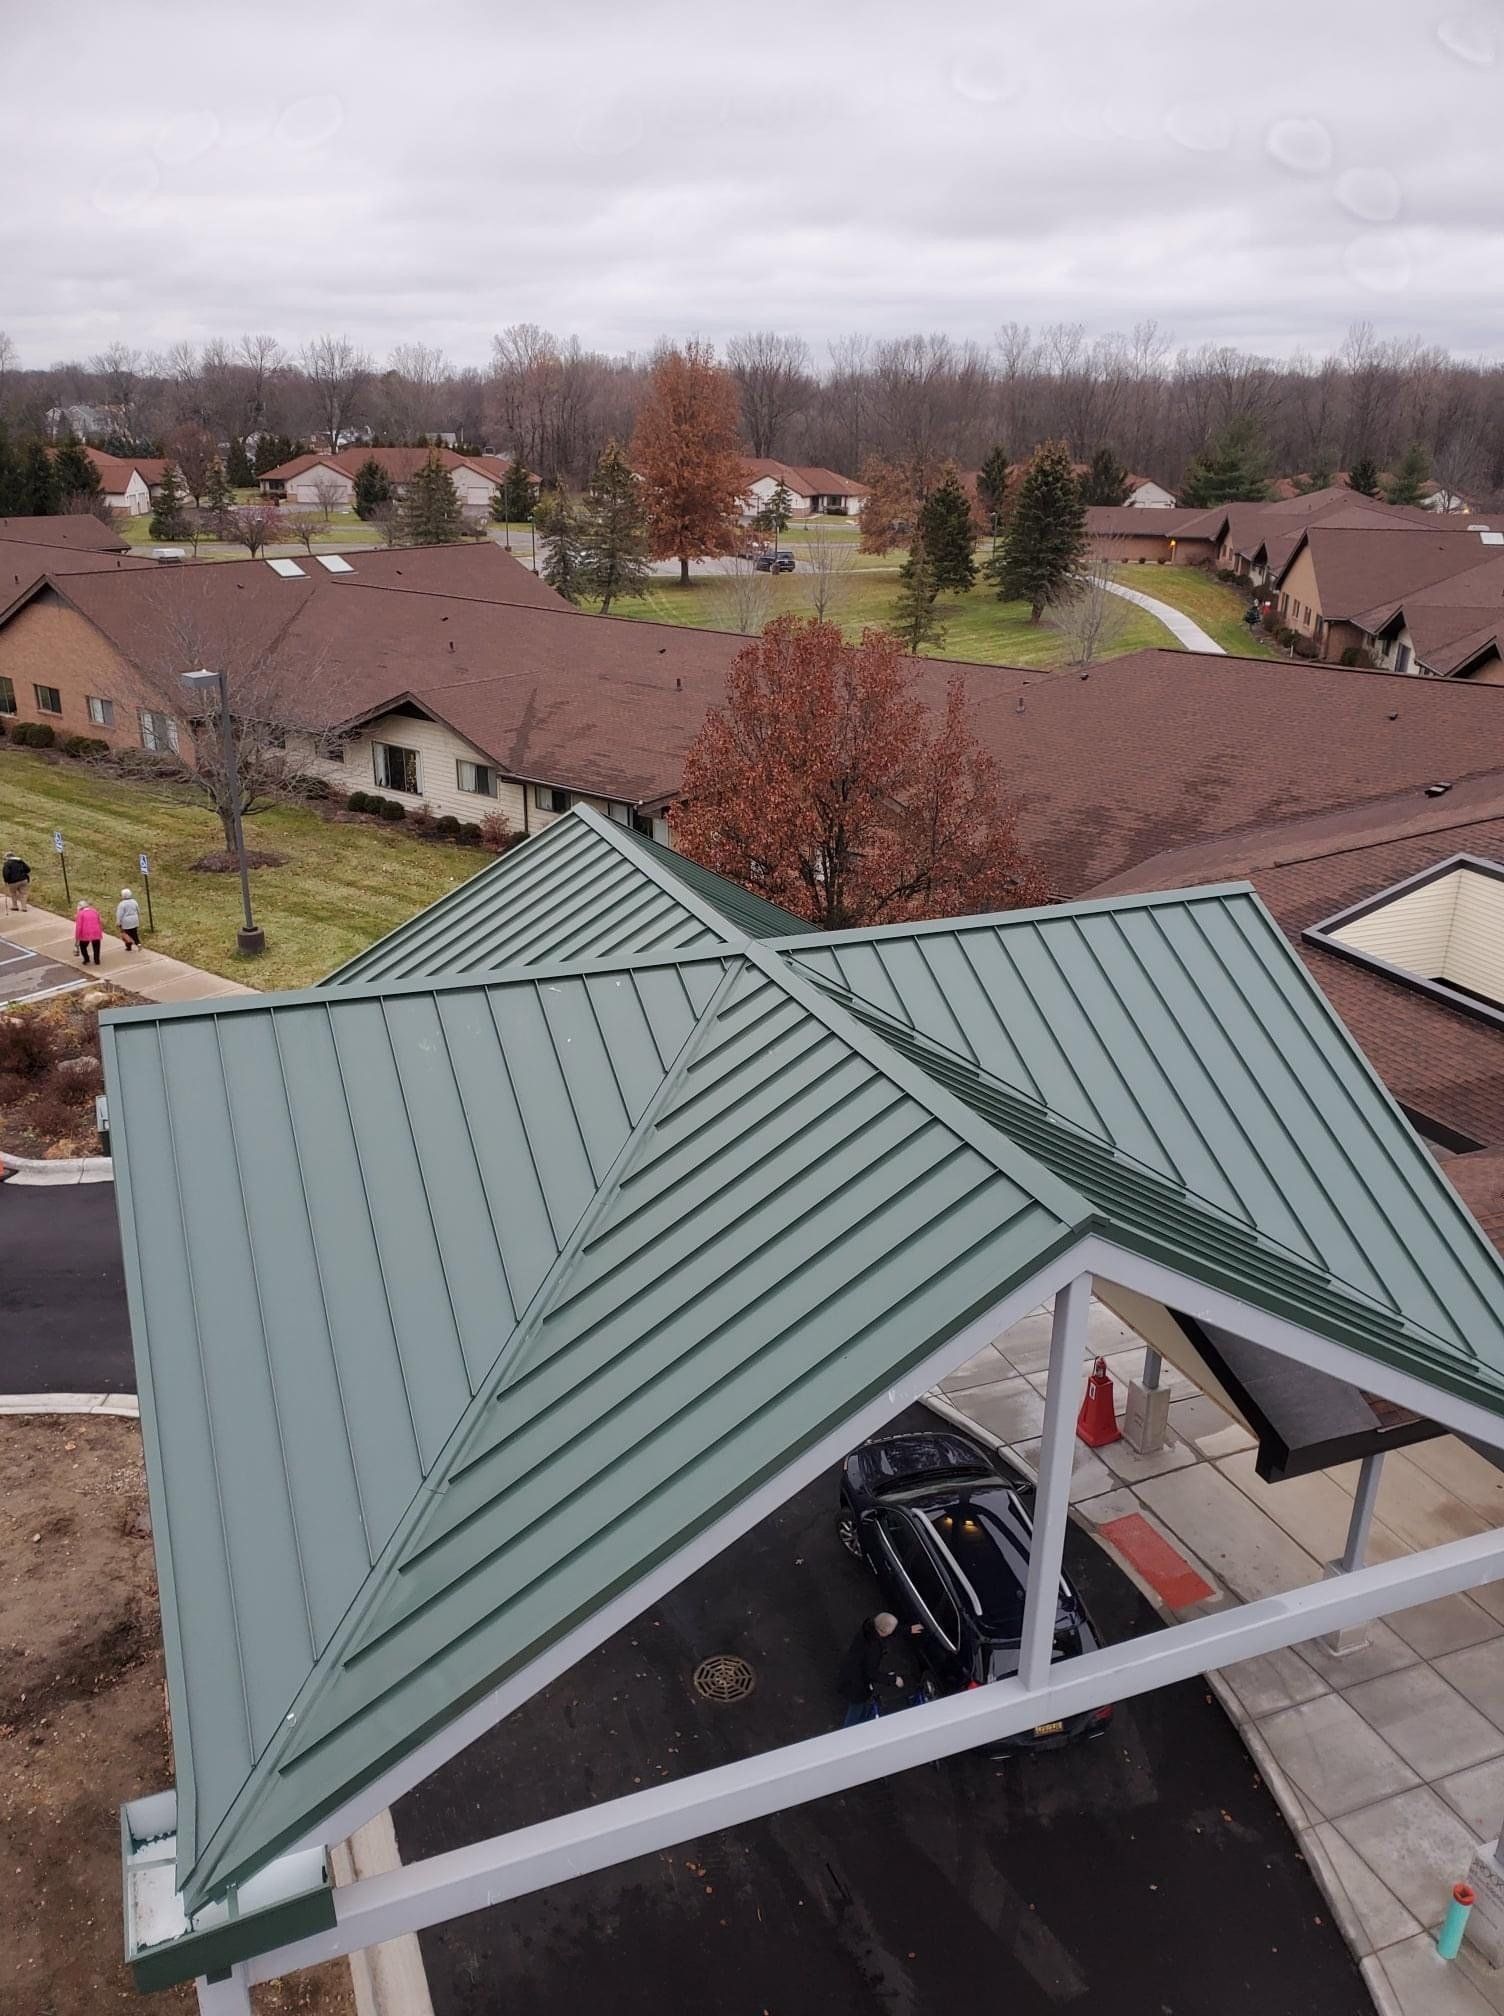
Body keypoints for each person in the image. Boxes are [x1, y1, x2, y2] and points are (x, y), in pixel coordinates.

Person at [837, 1612, 925, 1728]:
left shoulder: (869, 1630)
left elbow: (889, 1629)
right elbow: (870, 1673)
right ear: (883, 1632)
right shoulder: (873, 1649)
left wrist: (908, 1629)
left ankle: (860, 1723)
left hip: (852, 1676)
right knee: (855, 1712)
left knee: (861, 1706)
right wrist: (893, 1679)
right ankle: (848, 1735)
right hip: (856, 1685)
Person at [74, 899, 104, 965]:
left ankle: (86, 959)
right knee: (96, 946)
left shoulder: (80, 914)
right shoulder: (94, 911)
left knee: (83, 947)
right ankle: (97, 960)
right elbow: (100, 921)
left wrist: (77, 938)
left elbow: (78, 927)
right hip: (96, 931)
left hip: (85, 933)